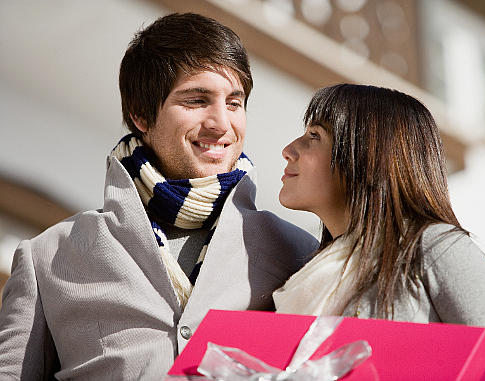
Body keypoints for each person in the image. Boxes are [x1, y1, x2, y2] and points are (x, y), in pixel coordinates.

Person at [0, 13, 318, 380]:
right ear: (140, 114)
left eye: (234, 102)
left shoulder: (299, 254)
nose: (220, 123)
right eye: (197, 101)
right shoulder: (47, 257)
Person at [273, 84, 485, 380]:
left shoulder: (435, 248)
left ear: (368, 155)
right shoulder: (306, 272)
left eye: (314, 136)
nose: (288, 150)